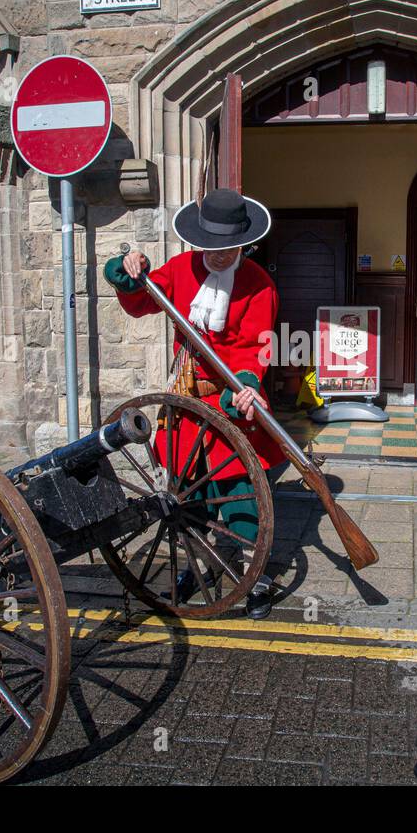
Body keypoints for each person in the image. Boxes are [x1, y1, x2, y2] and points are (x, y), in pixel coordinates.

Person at [104, 188, 285, 620]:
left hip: (231, 398)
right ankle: (199, 562)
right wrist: (128, 270)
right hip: (185, 401)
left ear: (244, 243)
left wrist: (245, 384)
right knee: (187, 493)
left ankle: (254, 573)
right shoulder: (181, 268)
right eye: (211, 247)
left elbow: (256, 347)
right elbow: (142, 300)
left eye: (228, 248)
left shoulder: (260, 285)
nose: (219, 256)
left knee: (238, 488)